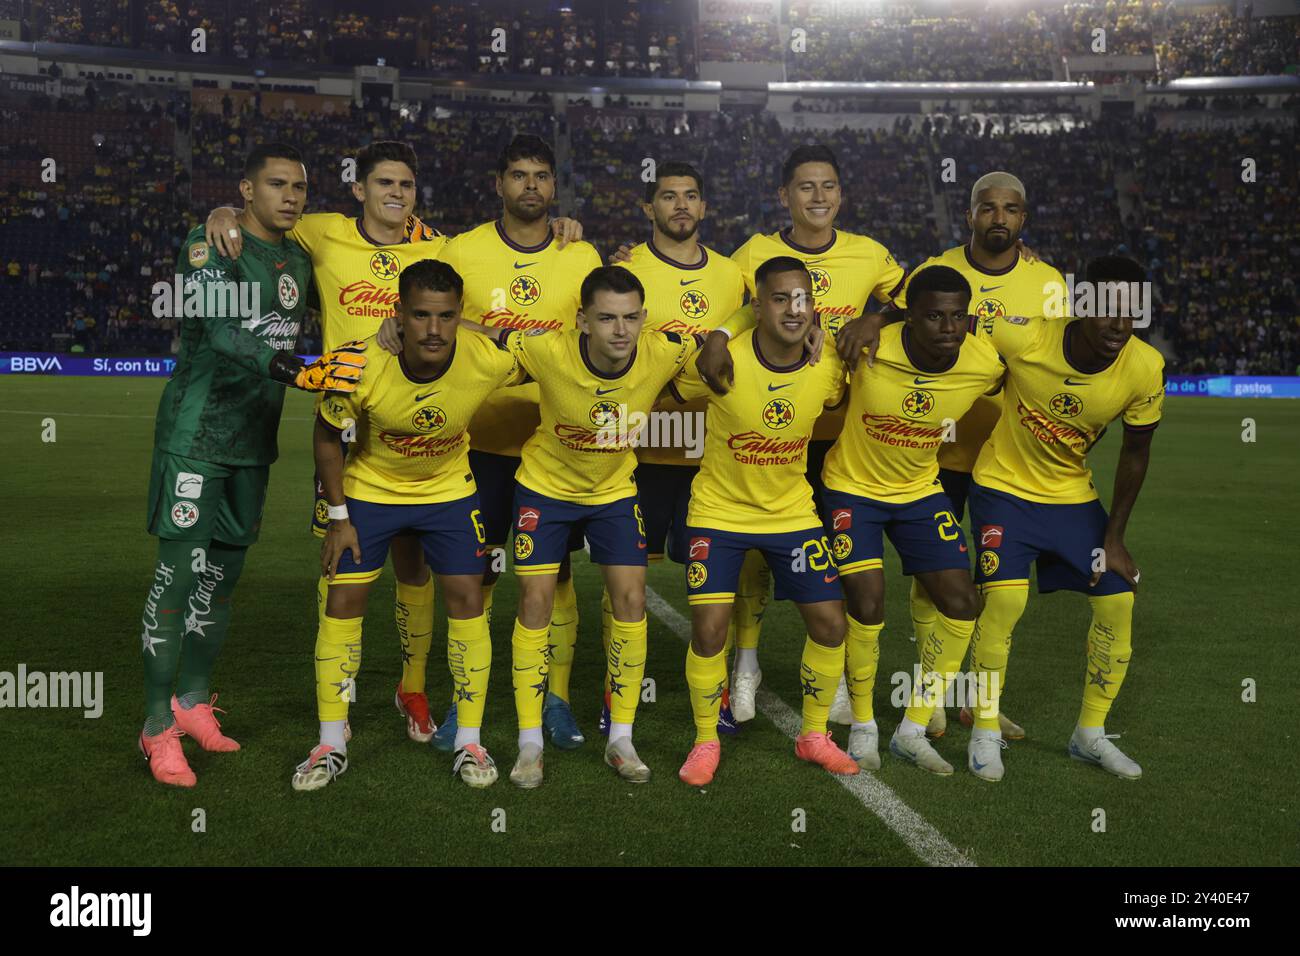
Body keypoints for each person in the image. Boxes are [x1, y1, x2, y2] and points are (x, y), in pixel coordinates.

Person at [137, 143, 367, 788]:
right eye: (276, 184)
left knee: (222, 578)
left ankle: (192, 701)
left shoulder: (298, 256)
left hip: (251, 442)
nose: (291, 196)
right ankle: (156, 725)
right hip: (195, 434)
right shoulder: (212, 244)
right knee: (178, 578)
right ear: (246, 190)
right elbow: (219, 331)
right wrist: (294, 366)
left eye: (299, 186)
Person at [897, 255, 1164, 781]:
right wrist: (874, 323)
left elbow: (1136, 452)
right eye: (1107, 309)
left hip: (1071, 498)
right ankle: (985, 731)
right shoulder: (1026, 337)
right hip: (1003, 491)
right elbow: (944, 321)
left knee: (1117, 601)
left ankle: (1089, 735)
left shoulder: (1144, 366)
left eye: (1131, 311)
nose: (1118, 323)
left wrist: (1114, 538)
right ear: (1080, 304)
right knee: (1004, 602)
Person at [295, 260, 524, 791]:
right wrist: (339, 518)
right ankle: (330, 742)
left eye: (446, 316)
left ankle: (469, 738)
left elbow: (555, 358)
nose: (434, 329)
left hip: (448, 492)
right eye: (420, 315)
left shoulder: (486, 359)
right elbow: (327, 437)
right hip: (372, 491)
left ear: (460, 316)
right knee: (342, 600)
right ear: (398, 314)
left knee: (468, 599)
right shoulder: (363, 363)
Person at [495, 266, 701, 787]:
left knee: (631, 601)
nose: (620, 330)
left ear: (644, 319)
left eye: (631, 317)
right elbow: (484, 334)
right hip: (544, 487)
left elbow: (729, 344)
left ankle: (621, 737)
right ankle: (529, 743)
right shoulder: (546, 350)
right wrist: (396, 327)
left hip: (613, 491)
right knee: (536, 602)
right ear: (582, 319)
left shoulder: (665, 351)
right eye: (606, 318)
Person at [669, 256, 859, 787]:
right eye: (779, 298)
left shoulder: (828, 368)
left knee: (830, 623)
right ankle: (705, 739)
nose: (793, 309)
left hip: (792, 513)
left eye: (802, 299)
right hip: (718, 512)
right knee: (709, 632)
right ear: (758, 306)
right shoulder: (718, 364)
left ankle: (814, 736)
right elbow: (665, 388)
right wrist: (717, 333)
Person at [607, 160, 746, 737]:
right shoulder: (623, 268)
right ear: (649, 208)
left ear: (705, 207)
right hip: (640, 455)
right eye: (668, 197)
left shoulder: (734, 276)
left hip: (711, 458)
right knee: (626, 585)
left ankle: (715, 702)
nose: (681, 206)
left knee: (712, 590)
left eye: (691, 196)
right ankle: (617, 701)